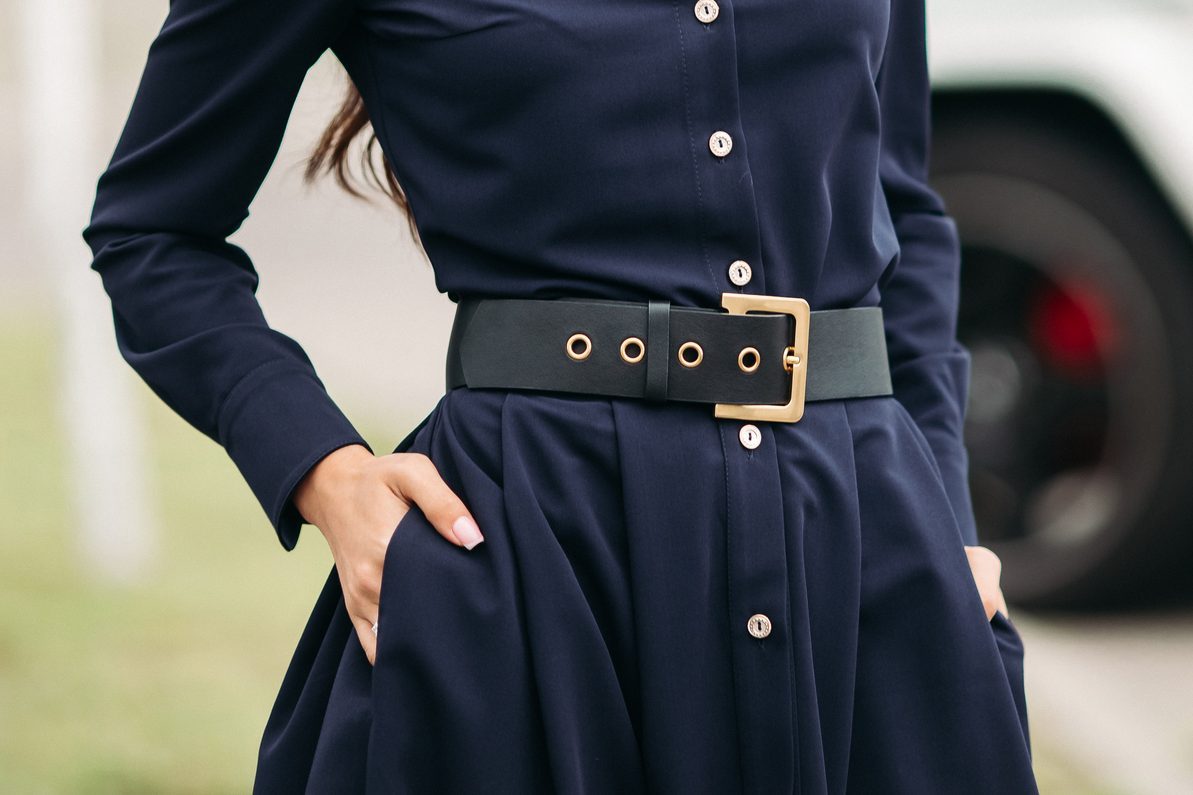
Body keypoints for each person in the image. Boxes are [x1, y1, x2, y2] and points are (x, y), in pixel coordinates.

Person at [82, 0, 1037, 791]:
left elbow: (901, 205)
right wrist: (323, 472)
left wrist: (949, 520)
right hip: (534, 572)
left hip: (870, 563)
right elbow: (151, 232)